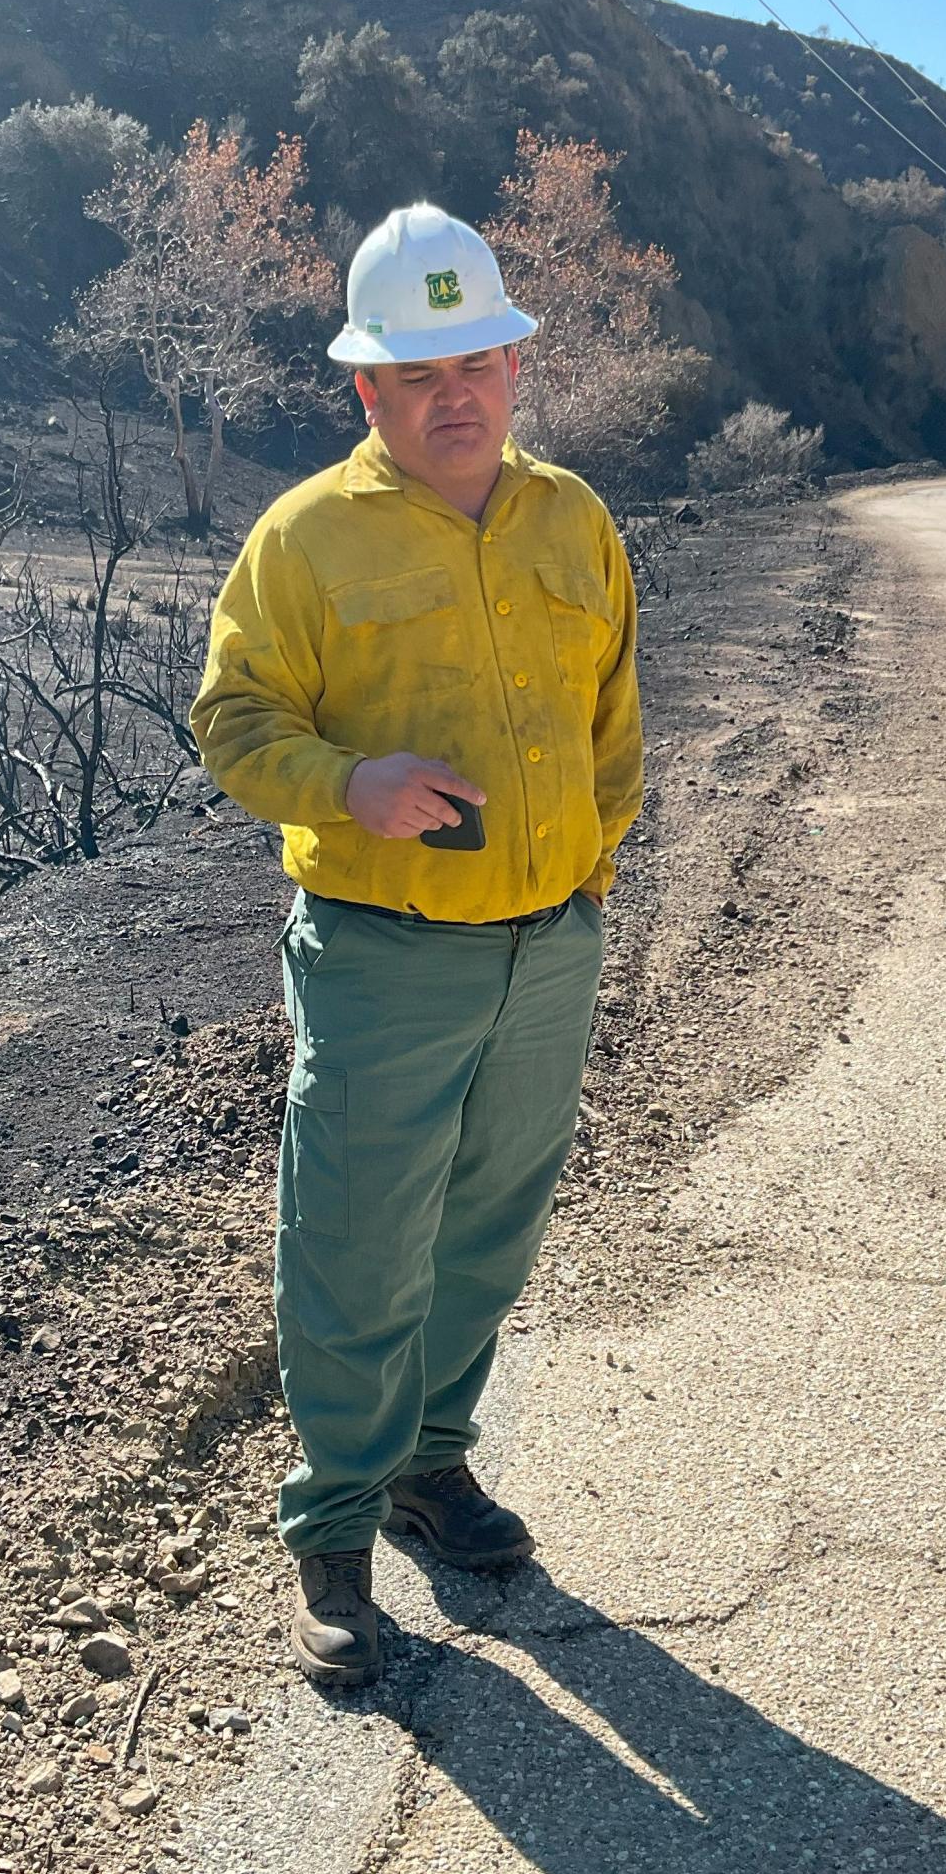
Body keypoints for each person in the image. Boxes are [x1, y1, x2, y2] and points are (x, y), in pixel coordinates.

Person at [190, 202, 643, 1687]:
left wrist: (580, 877)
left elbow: (613, 725)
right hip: (385, 950)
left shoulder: (573, 518)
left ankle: (424, 1470)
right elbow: (235, 720)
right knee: (355, 1239)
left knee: (487, 1229)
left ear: (516, 362)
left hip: (547, 949)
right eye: (415, 373)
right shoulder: (304, 539)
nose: (454, 394)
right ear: (366, 391)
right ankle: (327, 1524)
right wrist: (351, 787)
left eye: (477, 362)